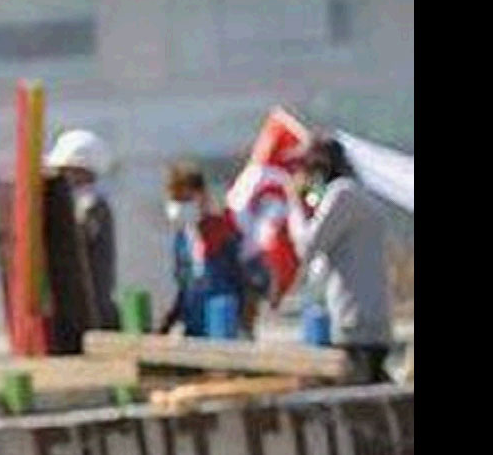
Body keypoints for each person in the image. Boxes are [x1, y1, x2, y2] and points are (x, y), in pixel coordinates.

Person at [288, 137, 394, 384]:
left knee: (359, 394)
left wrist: (294, 205)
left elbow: (308, 246)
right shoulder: (357, 192)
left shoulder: (342, 194)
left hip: (355, 322)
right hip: (367, 319)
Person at [164, 163, 268, 339]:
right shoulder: (182, 239)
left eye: (185, 199)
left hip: (223, 327)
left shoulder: (224, 231)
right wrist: (168, 323)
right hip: (194, 329)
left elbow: (249, 281)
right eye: (176, 200)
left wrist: (245, 324)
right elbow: (184, 286)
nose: (180, 207)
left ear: (201, 196)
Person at [45, 130, 121, 332]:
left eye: (64, 171)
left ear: (82, 170)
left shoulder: (92, 207)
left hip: (89, 311)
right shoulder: (80, 204)